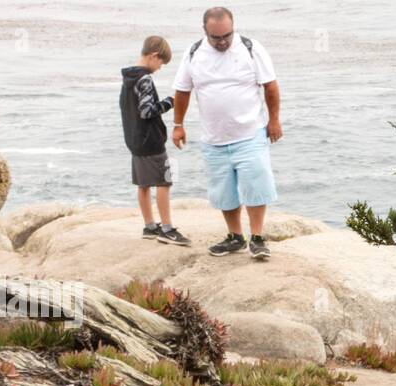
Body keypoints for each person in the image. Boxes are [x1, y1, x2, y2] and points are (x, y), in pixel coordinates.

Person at [170, 7, 281, 260]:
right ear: (204, 31)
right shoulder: (194, 52)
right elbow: (182, 90)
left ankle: (257, 237)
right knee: (224, 192)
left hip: (250, 132)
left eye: (226, 36)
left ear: (233, 28)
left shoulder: (252, 49)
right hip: (214, 138)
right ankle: (235, 237)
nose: (222, 42)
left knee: (256, 184)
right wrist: (178, 124)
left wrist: (274, 120)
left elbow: (270, 86)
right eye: (216, 37)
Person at [120, 36, 191, 245]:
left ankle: (150, 226)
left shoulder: (128, 77)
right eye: (161, 62)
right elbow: (147, 111)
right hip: (150, 140)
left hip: (134, 139)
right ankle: (167, 229)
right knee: (164, 181)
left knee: (143, 185)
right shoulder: (145, 79)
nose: (160, 67)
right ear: (154, 56)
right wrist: (170, 101)